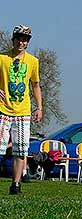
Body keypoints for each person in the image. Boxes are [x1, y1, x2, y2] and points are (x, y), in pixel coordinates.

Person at [0, 25, 42, 194]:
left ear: (28, 42)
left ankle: (16, 184)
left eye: (24, 39)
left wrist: (39, 107)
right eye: (18, 38)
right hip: (3, 110)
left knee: (21, 149)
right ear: (13, 39)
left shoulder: (33, 61)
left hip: (23, 111)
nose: (21, 42)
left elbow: (36, 85)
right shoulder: (2, 58)